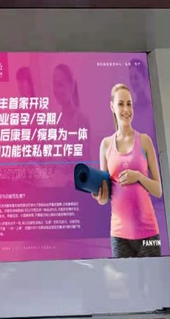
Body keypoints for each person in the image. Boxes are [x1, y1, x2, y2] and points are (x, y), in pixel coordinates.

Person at [92, 83, 163, 258]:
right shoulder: (105, 145)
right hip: (119, 235)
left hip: (148, 233)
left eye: (129, 104)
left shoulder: (145, 141)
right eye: (121, 104)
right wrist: (99, 195)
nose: (126, 109)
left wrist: (138, 176)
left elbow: (158, 190)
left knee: (153, 276)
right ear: (112, 107)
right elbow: (105, 198)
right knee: (126, 277)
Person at [52, 64, 90, 136]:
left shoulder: (82, 120)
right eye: (54, 84)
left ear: (72, 86)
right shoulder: (54, 121)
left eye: (60, 84)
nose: (55, 90)